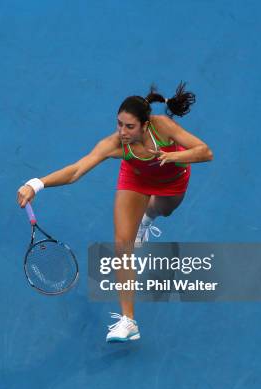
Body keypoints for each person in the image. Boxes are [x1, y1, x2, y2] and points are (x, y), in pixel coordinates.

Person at [16, 82, 213, 342]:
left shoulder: (163, 127)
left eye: (129, 126)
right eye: (119, 124)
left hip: (172, 180)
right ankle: (128, 321)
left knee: (163, 211)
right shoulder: (114, 144)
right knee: (122, 245)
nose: (122, 131)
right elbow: (76, 170)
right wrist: (36, 184)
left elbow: (205, 152)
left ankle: (148, 217)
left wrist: (170, 157)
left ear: (145, 125)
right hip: (136, 180)